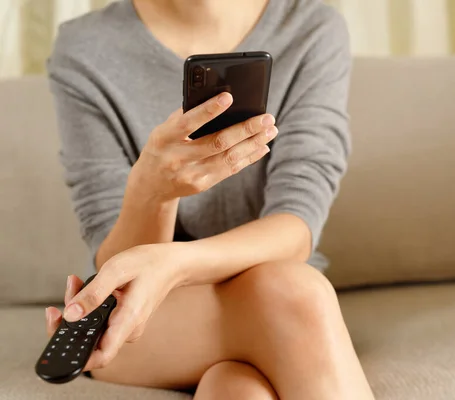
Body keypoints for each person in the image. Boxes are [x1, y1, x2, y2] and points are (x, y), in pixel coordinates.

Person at [43, 0, 374, 398]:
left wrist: (175, 264)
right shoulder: (84, 48)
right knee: (295, 294)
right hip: (149, 319)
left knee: (237, 388)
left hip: (275, 292)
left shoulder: (311, 27)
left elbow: (298, 225)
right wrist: (153, 191)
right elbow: (122, 273)